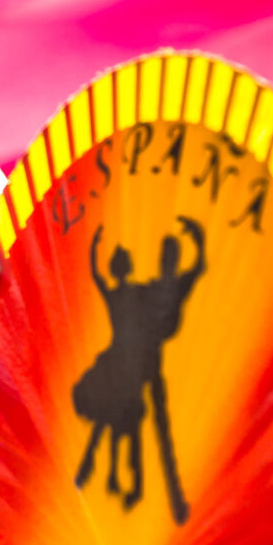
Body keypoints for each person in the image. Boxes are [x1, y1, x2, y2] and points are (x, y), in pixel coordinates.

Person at [72, 217, 206, 524]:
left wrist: (195, 241)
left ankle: (167, 497)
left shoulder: (147, 290)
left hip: (139, 365)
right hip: (131, 365)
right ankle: (94, 477)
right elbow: (99, 280)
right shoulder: (141, 291)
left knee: (135, 423)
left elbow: (193, 270)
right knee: (122, 422)